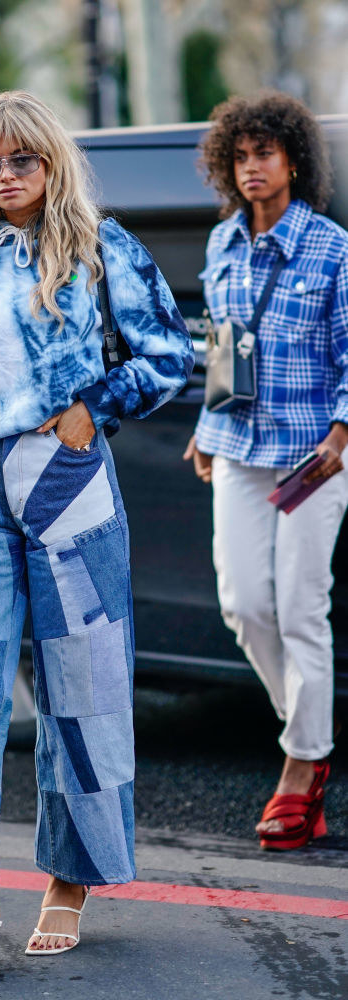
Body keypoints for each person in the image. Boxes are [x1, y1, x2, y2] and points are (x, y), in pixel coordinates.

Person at [0, 90, 194, 960]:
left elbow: (171, 353)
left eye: (20, 160)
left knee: (84, 688)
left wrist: (92, 409)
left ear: (50, 161)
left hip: (66, 480)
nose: (5, 177)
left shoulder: (100, 245)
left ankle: (69, 886)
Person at [184, 91, 348, 850]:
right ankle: (311, 726)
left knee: (297, 607)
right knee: (243, 603)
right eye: (240, 155)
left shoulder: (330, 248)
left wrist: (342, 431)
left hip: (312, 454)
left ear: (293, 160)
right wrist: (204, 426)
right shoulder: (220, 245)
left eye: (265, 153)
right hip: (239, 447)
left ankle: (299, 766)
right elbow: (222, 344)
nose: (253, 167)